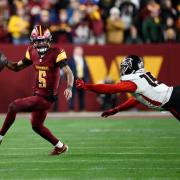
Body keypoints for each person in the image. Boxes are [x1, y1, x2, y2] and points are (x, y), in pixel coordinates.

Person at [0, 25, 74, 156]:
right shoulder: (31, 52)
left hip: (46, 98)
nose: (40, 43)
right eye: (38, 40)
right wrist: (6, 62)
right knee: (36, 126)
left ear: (49, 40)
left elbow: (68, 72)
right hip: (37, 95)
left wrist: (69, 87)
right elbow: (17, 67)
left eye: (43, 40)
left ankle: (0, 136)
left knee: (13, 106)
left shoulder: (56, 52)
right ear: (33, 41)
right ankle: (60, 146)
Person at [76, 55, 180, 121]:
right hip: (174, 96)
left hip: (173, 100)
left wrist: (87, 86)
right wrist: (116, 109)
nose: (122, 70)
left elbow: (109, 89)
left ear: (130, 68)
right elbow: (137, 100)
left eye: (124, 67)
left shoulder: (133, 81)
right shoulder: (142, 77)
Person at [68, 46, 89, 111]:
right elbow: (68, 71)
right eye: (78, 51)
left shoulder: (84, 60)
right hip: (74, 80)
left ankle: (82, 108)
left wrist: (86, 79)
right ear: (75, 52)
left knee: (82, 95)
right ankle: (71, 109)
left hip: (82, 80)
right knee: (72, 95)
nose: (80, 52)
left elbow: (86, 70)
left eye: (81, 51)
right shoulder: (71, 60)